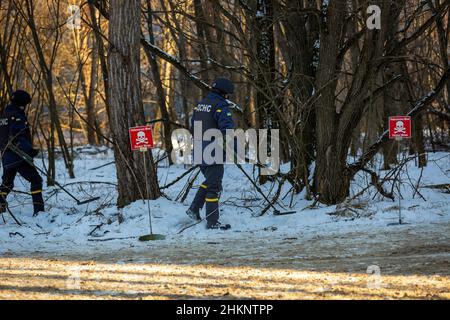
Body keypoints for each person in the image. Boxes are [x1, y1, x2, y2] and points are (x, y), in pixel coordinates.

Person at [186, 77, 235, 230]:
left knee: (210, 180)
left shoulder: (201, 105)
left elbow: (193, 126)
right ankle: (212, 221)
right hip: (213, 151)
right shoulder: (220, 105)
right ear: (225, 93)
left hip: (200, 150)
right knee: (214, 186)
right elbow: (227, 128)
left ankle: (194, 208)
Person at [0, 90, 44, 216]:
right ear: (22, 103)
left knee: (7, 183)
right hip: (17, 155)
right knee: (36, 180)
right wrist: (29, 150)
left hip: (5, 156)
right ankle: (39, 212)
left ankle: (0, 205)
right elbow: (19, 135)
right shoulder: (17, 115)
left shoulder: (4, 114)